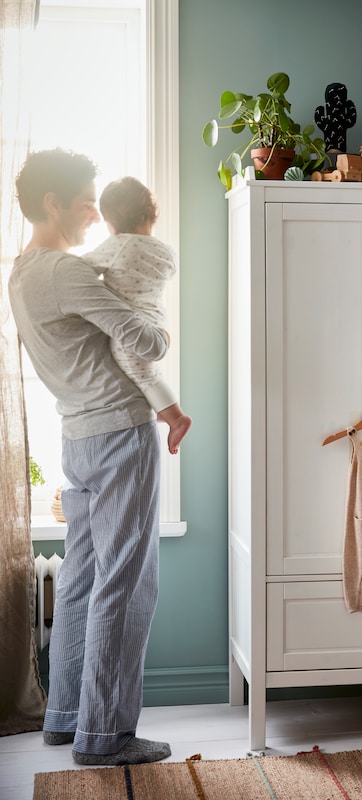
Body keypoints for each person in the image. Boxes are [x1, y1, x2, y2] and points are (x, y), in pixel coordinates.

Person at [9, 148, 171, 767]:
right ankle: (106, 736)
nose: (91, 214)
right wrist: (157, 323)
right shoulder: (65, 271)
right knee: (127, 585)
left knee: (79, 579)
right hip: (119, 433)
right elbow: (143, 339)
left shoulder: (22, 273)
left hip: (76, 438)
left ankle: (67, 716)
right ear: (53, 203)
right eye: (83, 202)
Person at [85, 177, 191, 455]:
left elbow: (82, 267)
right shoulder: (167, 252)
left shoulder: (118, 244)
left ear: (113, 223)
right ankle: (163, 408)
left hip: (132, 327)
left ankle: (177, 418)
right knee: (148, 374)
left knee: (141, 374)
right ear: (151, 215)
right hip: (155, 320)